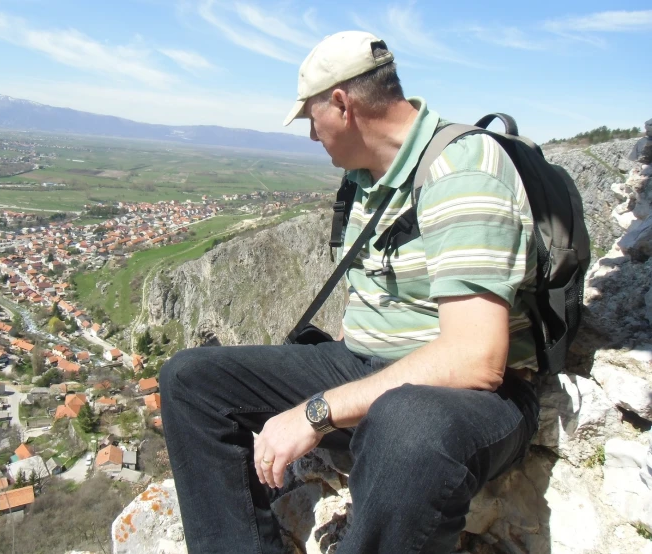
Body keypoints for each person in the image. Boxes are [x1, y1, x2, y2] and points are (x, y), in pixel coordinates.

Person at [160, 31, 540, 553]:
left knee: (406, 424)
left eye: (310, 119)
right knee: (190, 379)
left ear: (341, 104)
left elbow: (477, 360)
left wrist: (317, 411)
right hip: (367, 366)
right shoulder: (363, 179)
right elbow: (371, 295)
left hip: (470, 401)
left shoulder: (463, 170)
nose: (311, 137)